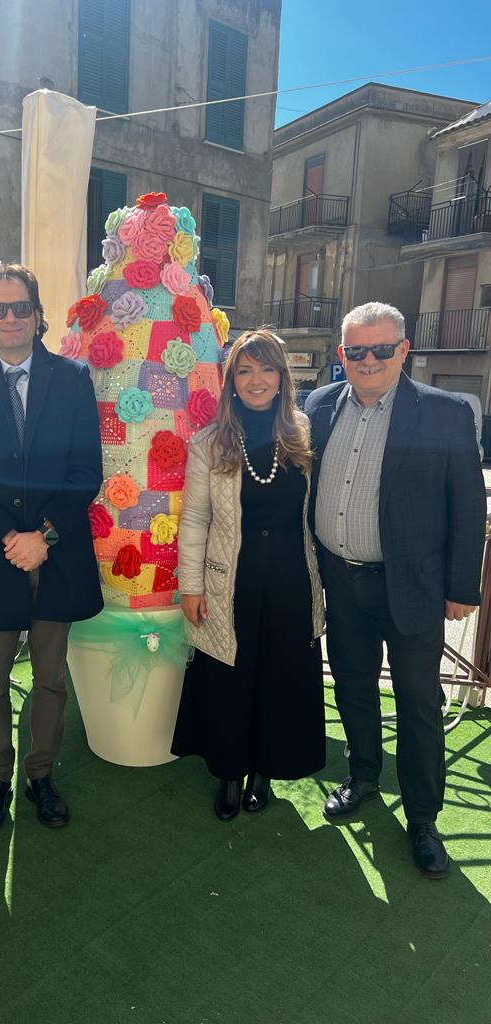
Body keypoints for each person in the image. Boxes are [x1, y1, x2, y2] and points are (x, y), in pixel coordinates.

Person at [306, 301, 486, 879]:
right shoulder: (318, 406)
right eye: (355, 350)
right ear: (342, 355)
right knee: (354, 685)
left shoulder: (444, 413)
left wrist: (462, 587)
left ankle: (425, 818)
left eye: (381, 349)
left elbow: (468, 505)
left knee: (418, 703)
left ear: (403, 350)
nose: (368, 360)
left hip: (411, 588)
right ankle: (361, 777)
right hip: (341, 576)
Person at [0, 262, 103, 834]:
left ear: (38, 315)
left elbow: (86, 472)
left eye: (20, 308)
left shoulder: (73, 378)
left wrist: (46, 537)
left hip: (55, 560)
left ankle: (41, 774)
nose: (10, 318)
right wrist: (11, 539)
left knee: (52, 680)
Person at [172, 329, 326, 819]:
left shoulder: (301, 430)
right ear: (231, 380)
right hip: (229, 581)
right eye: (244, 370)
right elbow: (195, 518)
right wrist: (190, 586)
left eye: (265, 369)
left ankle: (266, 770)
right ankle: (230, 774)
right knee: (231, 678)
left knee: (281, 677)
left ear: (281, 376)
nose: (255, 380)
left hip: (291, 580)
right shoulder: (210, 441)